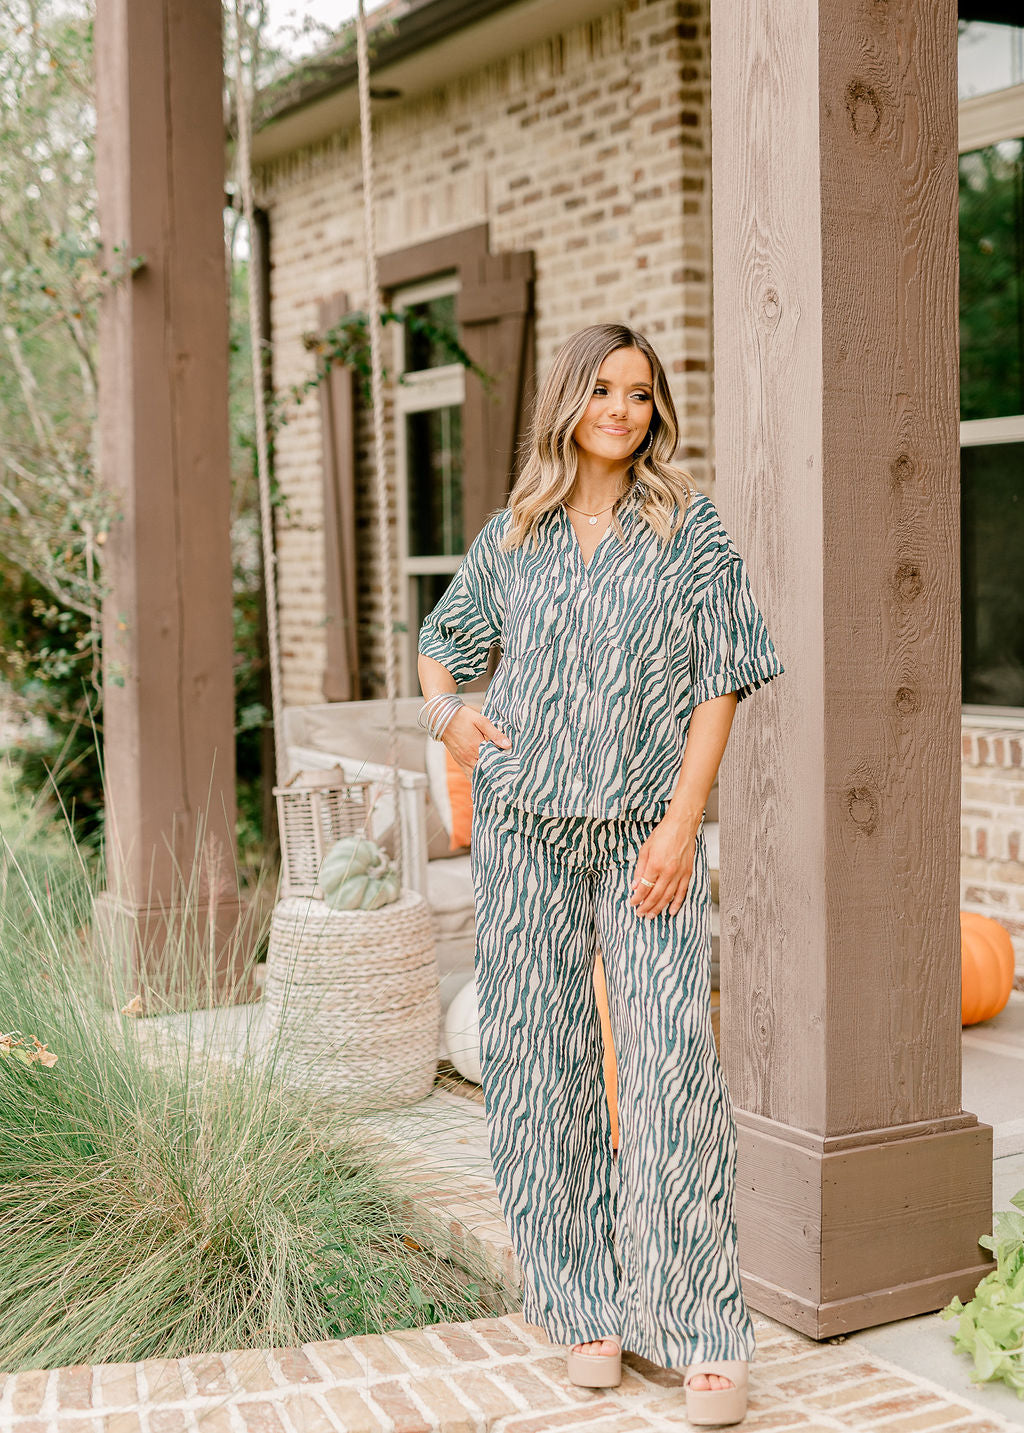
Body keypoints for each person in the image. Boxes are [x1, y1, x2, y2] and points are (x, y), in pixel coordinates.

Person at [416, 322, 784, 1427]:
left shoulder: (687, 529)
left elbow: (720, 680)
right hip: (525, 831)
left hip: (641, 837)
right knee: (538, 1068)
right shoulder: (514, 533)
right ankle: (583, 1310)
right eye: (604, 390)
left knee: (671, 1069)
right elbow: (443, 640)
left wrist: (682, 823)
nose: (622, 409)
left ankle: (705, 1329)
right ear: (569, 401)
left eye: (640, 393)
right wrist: (452, 720)